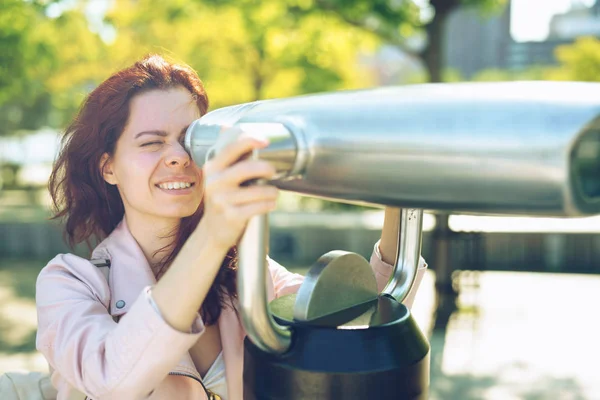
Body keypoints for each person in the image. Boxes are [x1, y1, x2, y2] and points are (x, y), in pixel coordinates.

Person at [35, 54, 428, 400]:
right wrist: (215, 232)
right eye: (152, 143)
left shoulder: (245, 273)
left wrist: (396, 180)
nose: (178, 157)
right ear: (108, 167)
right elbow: (112, 380)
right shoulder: (70, 283)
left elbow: (358, 325)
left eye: (190, 140)